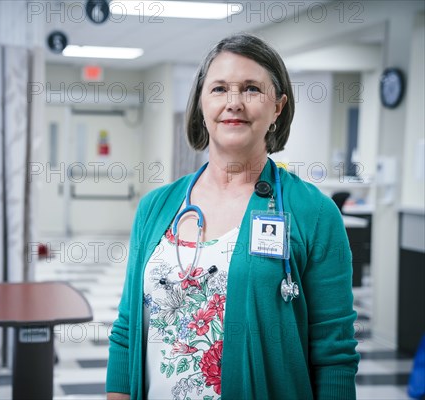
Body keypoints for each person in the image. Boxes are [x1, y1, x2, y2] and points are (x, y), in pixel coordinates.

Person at [106, 33, 359, 400]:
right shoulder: (155, 208)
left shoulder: (314, 213)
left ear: (278, 107)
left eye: (252, 89)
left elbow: (334, 352)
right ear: (201, 105)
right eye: (220, 88)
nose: (234, 103)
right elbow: (127, 330)